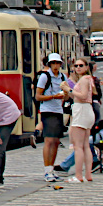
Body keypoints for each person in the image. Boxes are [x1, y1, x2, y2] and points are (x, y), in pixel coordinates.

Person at [63, 59, 96, 183]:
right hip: (86, 110)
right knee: (85, 145)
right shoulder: (88, 79)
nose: (78, 68)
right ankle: (87, 174)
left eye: (81, 65)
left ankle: (78, 175)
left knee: (78, 146)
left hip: (81, 110)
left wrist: (69, 89)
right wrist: (69, 91)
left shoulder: (83, 80)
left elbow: (82, 96)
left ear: (87, 67)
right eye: (76, 66)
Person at [35, 53, 66, 183]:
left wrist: (65, 96)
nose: (55, 66)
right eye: (53, 63)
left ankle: (51, 169)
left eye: (57, 63)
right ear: (49, 64)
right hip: (47, 110)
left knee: (56, 141)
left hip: (58, 110)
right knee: (49, 140)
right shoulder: (44, 76)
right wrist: (53, 97)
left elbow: (66, 93)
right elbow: (38, 96)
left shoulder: (62, 76)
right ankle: (47, 170)